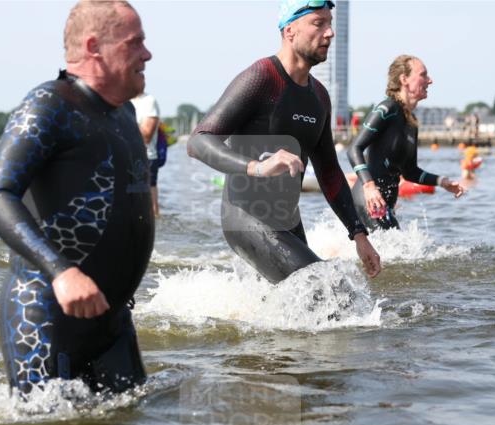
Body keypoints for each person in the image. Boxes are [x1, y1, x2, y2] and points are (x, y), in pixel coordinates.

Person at [0, 1, 154, 396]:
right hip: (45, 318)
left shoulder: (124, 113)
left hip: (112, 324)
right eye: (135, 43)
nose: (147, 53)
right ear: (94, 47)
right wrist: (63, 271)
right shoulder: (49, 105)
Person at [187, 0, 381, 284]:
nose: (330, 33)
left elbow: (329, 172)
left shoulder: (320, 97)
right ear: (290, 31)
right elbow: (198, 141)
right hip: (247, 219)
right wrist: (259, 167)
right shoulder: (262, 77)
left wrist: (359, 234)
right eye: (319, 23)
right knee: (330, 289)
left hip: (288, 222)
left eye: (330, 23)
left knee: (306, 310)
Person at [346, 55, 464, 230]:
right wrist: (369, 187)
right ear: (404, 79)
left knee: (395, 252)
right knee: (392, 253)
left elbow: (410, 172)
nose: (430, 80)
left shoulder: (412, 123)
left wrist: (442, 181)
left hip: (385, 204)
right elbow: (354, 148)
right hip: (369, 199)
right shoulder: (387, 109)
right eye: (423, 75)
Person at [132, 91, 161, 217]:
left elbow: (147, 136)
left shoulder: (148, 101)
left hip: (146, 157)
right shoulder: (119, 100)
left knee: (150, 209)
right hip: (124, 157)